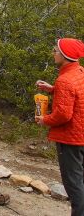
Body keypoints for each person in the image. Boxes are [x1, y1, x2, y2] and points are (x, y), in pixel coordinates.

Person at [35, 37, 84, 216]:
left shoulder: (65, 80)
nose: (53, 53)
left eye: (55, 51)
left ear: (64, 56)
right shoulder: (79, 72)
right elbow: (75, 94)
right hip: (81, 135)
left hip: (70, 138)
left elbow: (63, 114)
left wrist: (44, 120)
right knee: (81, 180)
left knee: (74, 183)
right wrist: (53, 89)